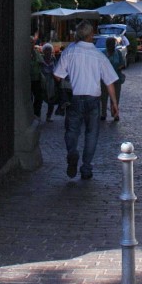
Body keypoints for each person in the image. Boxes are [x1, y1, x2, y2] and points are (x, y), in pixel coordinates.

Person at [54, 20, 119, 180]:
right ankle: (86, 168)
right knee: (91, 134)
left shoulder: (70, 51)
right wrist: (114, 103)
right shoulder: (98, 55)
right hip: (93, 99)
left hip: (74, 98)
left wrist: (70, 79)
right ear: (91, 35)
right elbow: (110, 81)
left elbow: (57, 75)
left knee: (71, 131)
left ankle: (72, 152)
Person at [101, 36, 125, 122]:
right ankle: (103, 113)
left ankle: (115, 114)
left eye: (113, 44)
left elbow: (122, 63)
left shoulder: (118, 53)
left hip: (116, 78)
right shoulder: (103, 53)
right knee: (103, 97)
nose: (112, 45)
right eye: (111, 44)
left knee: (116, 97)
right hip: (104, 79)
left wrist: (119, 67)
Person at [39, 42, 58, 122]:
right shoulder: (40, 58)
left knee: (51, 99)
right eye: (46, 50)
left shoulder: (53, 58)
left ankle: (48, 116)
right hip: (42, 80)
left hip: (51, 81)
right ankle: (37, 115)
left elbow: (57, 68)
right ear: (43, 51)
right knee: (40, 98)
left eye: (49, 50)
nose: (48, 52)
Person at [30, 38, 44, 119]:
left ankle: (36, 114)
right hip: (28, 79)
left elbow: (41, 62)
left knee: (39, 97)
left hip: (37, 78)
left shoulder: (36, 53)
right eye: (31, 42)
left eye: (33, 43)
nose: (32, 44)